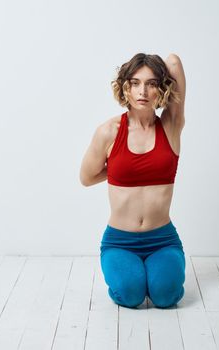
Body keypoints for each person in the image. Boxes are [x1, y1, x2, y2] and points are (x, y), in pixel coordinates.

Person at [79, 53, 186, 308]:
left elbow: (174, 62)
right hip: (120, 241)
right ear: (125, 88)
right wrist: (120, 169)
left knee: (165, 296)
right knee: (130, 294)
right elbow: (86, 177)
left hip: (162, 240)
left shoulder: (171, 126)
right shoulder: (109, 132)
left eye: (151, 83)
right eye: (135, 83)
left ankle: (155, 273)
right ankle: (132, 274)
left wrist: (159, 67)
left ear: (162, 88)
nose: (143, 91)